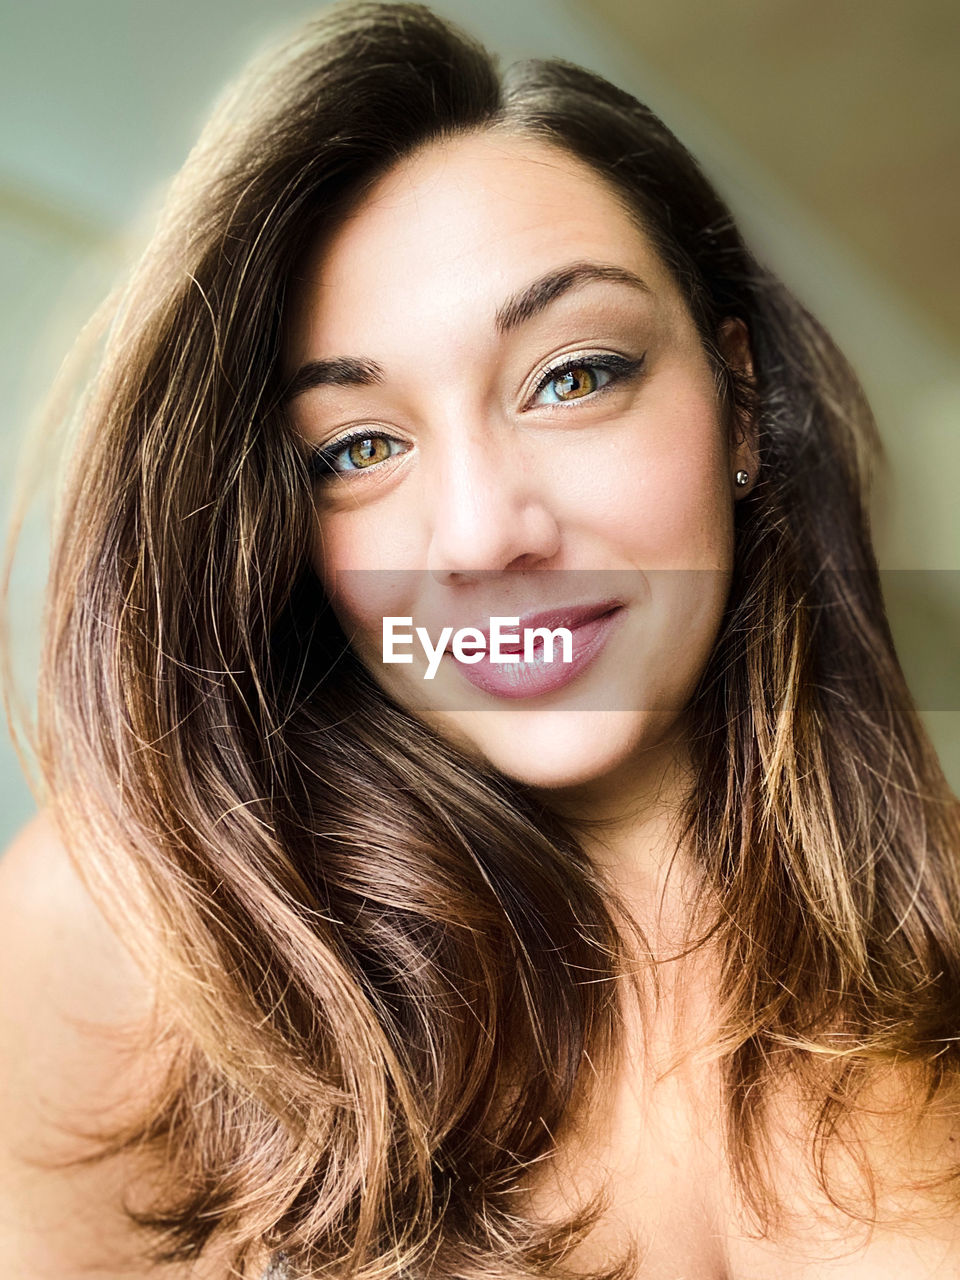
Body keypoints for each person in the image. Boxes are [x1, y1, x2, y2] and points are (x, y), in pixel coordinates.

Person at [1, 2, 959, 1277]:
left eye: (573, 375)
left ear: (737, 399)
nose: (479, 534)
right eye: (358, 447)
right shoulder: (143, 936)